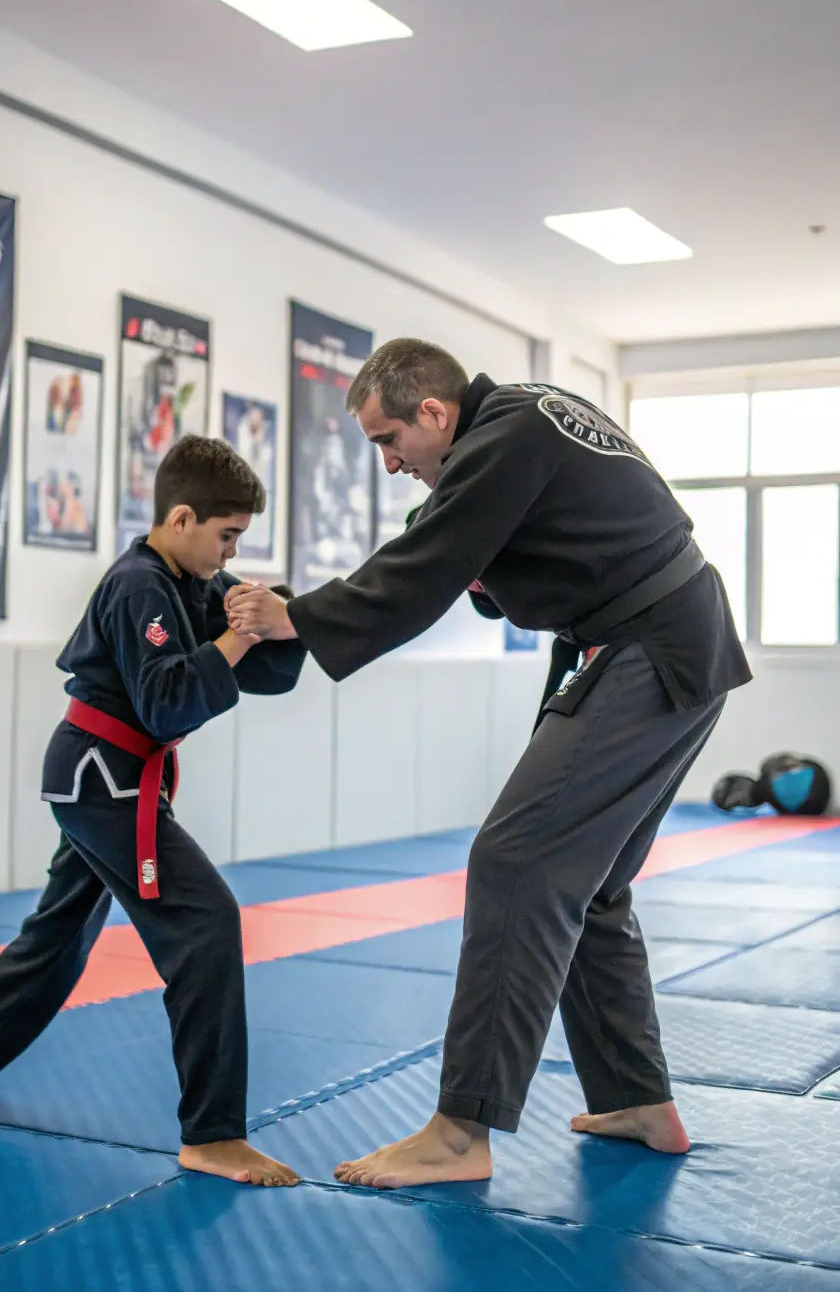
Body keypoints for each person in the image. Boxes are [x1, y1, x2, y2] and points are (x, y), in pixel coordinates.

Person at [227, 338, 751, 1189]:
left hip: (649, 645)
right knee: (588, 880)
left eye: (389, 439)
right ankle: (637, 1097)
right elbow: (446, 543)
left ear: (436, 412)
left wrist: (296, 617)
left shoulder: (507, 436)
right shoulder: (527, 416)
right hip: (676, 639)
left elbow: (424, 566)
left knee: (516, 860)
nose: (390, 462)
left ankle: (459, 1133)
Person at [0, 435, 306, 1188]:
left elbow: (266, 670)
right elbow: (166, 702)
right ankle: (213, 1134)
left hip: (107, 778)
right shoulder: (139, 585)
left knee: (59, 933)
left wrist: (285, 617)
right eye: (226, 535)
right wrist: (237, 633)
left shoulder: (192, 577)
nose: (232, 552)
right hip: (103, 778)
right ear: (181, 518)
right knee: (206, 921)